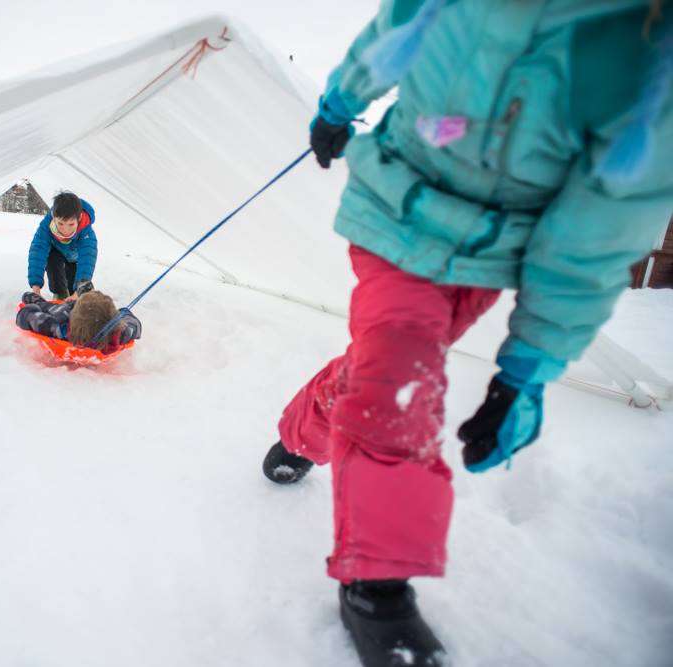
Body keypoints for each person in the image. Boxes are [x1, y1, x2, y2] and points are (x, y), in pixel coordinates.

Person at [263, 1, 673, 665]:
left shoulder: (652, 48)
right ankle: (376, 585)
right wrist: (340, 104)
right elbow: (392, 33)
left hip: (486, 256)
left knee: (380, 365)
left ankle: (301, 430)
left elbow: (596, 232)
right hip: (397, 211)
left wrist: (528, 369)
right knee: (397, 377)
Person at [16, 286, 142, 353]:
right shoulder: (120, 333)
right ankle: (84, 291)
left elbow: (25, 315)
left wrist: (32, 307)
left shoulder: (57, 327)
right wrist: (116, 319)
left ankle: (83, 293)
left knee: (33, 300)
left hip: (63, 311)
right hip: (76, 310)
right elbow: (132, 320)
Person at [27, 191, 98, 300]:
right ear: (54, 217)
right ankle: (59, 293)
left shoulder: (86, 231)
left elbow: (87, 259)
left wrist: (79, 290)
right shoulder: (46, 225)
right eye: (60, 223)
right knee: (53, 265)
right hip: (56, 251)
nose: (65, 229)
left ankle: (75, 293)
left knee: (74, 288)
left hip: (75, 257)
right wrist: (35, 288)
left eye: (71, 224)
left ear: (79, 218)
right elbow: (38, 251)